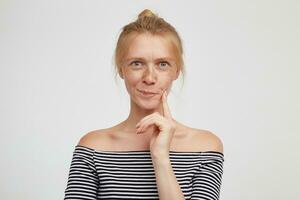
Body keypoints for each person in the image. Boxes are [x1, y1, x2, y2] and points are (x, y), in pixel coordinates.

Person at [64, 9, 224, 200]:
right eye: (137, 63)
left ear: (177, 71)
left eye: (163, 64)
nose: (149, 78)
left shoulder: (204, 148)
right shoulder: (93, 148)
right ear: (121, 69)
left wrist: (161, 158)